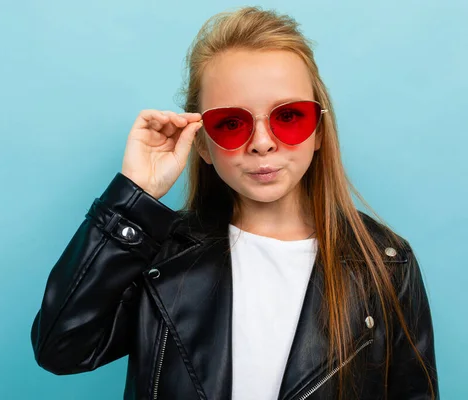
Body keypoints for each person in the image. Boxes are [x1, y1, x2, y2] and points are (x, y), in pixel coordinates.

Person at [30, 6, 438, 400]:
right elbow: (61, 348)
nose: (262, 143)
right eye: (231, 123)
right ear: (202, 143)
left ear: (318, 132)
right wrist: (132, 197)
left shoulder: (385, 263)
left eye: (289, 116)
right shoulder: (161, 252)